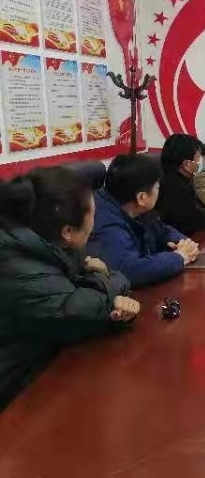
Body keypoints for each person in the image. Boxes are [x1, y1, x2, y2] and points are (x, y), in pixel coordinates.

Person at [0, 167, 140, 410]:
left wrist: (104, 285)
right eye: (92, 215)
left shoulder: (52, 243)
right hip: (16, 396)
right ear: (68, 231)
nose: (95, 224)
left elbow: (84, 290)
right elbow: (77, 311)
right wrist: (105, 277)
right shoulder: (17, 266)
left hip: (46, 365)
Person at [88, 154, 199, 288]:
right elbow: (131, 271)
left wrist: (184, 243)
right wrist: (179, 257)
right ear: (142, 197)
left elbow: (163, 231)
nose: (159, 191)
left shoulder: (136, 208)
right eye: (157, 188)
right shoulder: (105, 223)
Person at [155, 133, 205, 236]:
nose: (202, 162)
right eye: (199, 158)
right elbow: (199, 219)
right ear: (186, 164)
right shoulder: (174, 187)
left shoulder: (181, 180)